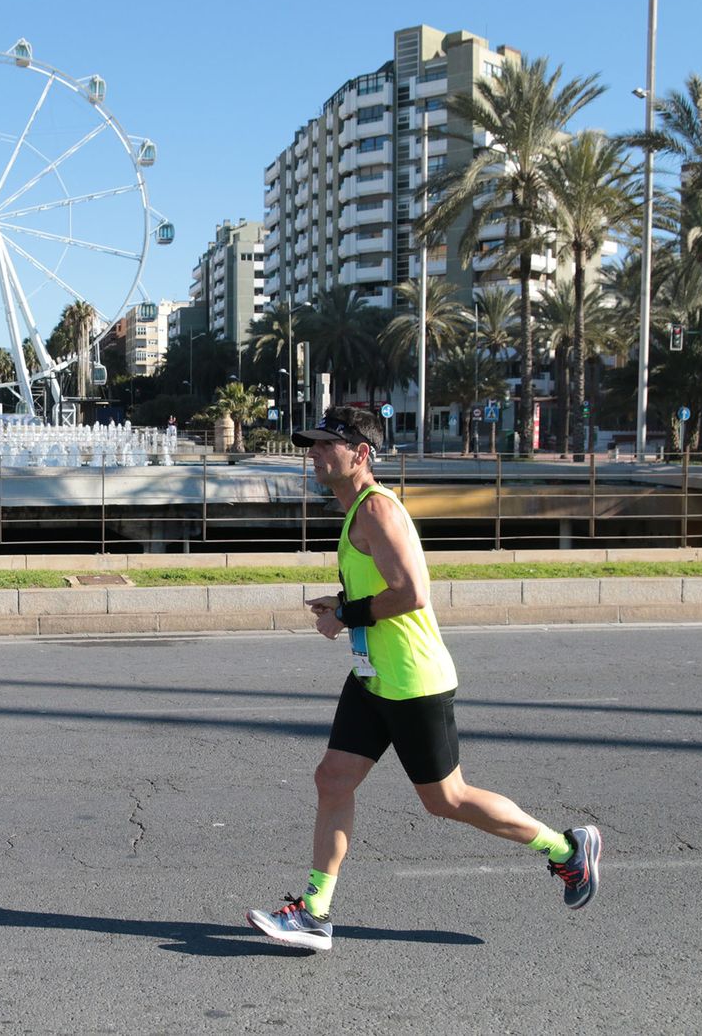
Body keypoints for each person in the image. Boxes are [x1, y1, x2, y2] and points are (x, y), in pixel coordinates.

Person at [245, 407, 600, 953]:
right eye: (310, 445)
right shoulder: (356, 510)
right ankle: (313, 911)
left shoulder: (377, 510)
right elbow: (382, 587)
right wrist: (342, 603)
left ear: (360, 453)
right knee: (332, 780)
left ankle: (564, 849)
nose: (313, 453)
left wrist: (345, 615)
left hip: (412, 678)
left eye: (325, 445)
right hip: (373, 678)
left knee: (446, 799)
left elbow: (413, 592)